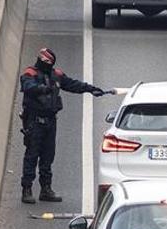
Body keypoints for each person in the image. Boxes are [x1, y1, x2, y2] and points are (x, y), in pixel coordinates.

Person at [19, 48, 108, 204]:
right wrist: (42, 89)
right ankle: (27, 189)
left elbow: (72, 84)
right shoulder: (30, 73)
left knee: (48, 156)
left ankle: (46, 189)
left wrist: (90, 89)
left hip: (51, 122)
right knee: (32, 156)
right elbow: (28, 87)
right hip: (34, 121)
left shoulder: (56, 75)